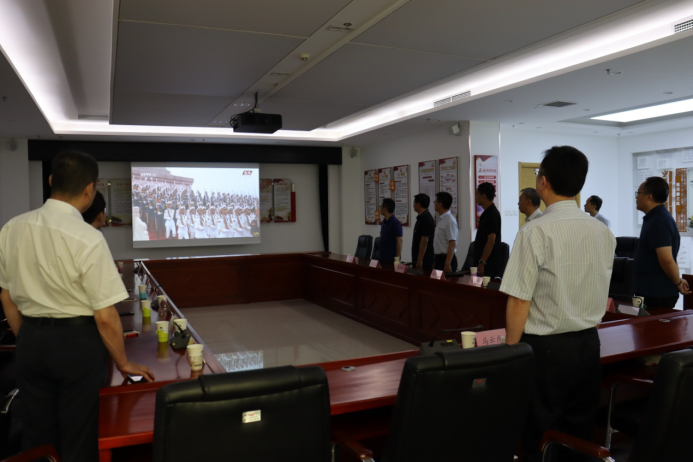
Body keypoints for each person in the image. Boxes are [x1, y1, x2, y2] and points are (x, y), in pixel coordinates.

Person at [0, 151, 154, 462]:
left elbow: (6, 297)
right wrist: (123, 363)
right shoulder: (88, 238)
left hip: (30, 341)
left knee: (37, 434)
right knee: (79, 433)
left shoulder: (12, 228)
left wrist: (28, 336)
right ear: (90, 189)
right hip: (77, 345)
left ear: (51, 180)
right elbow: (105, 316)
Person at [499, 146, 616, 462]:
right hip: (589, 344)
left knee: (541, 431)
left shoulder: (534, 231)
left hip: (546, 349)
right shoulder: (603, 232)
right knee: (579, 430)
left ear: (543, 182)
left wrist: (511, 354)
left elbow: (519, 299)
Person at [634, 177, 691, 309]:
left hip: (656, 293)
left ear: (648, 197)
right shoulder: (654, 217)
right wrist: (677, 280)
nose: (636, 197)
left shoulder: (659, 220)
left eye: (638, 193)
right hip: (649, 290)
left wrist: (677, 283)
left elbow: (666, 260)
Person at [474, 182, 502, 277]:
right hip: (482, 262)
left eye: (477, 194)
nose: (476, 197)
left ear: (483, 196)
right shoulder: (486, 213)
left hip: (488, 265)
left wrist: (482, 262)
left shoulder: (492, 214)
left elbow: (491, 241)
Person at [433, 192, 458, 272]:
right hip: (439, 259)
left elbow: (452, 243)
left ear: (440, 205)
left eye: (435, 202)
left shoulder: (449, 221)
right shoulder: (441, 219)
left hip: (446, 259)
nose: (434, 204)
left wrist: (447, 263)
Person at [412, 193, 435, 271]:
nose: (413, 205)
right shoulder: (421, 217)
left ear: (418, 204)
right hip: (418, 258)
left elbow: (425, 241)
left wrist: (420, 259)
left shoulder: (426, 219)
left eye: (414, 203)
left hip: (425, 260)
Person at [378, 198, 403, 265]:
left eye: (381, 207)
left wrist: (397, 259)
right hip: (382, 258)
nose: (380, 209)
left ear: (385, 208)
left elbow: (399, 241)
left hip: (391, 260)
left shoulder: (395, 223)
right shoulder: (384, 222)